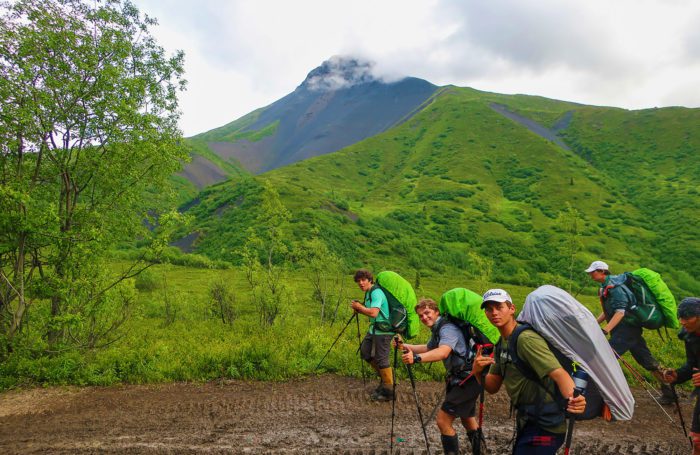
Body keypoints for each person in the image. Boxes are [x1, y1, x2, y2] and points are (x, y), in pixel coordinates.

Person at [472, 289, 586, 454]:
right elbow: (492, 386)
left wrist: (575, 398)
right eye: (489, 309)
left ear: (511, 309)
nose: (494, 313)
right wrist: (477, 372)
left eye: (499, 307)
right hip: (528, 422)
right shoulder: (501, 344)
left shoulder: (526, 339)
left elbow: (558, 373)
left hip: (547, 428)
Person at [398, 298, 486, 455]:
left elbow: (443, 352)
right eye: (421, 316)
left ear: (437, 311)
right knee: (467, 419)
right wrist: (404, 346)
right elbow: (428, 348)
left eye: (427, 313)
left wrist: (416, 359)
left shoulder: (447, 328)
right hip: (465, 378)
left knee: (443, 421)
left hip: (466, 379)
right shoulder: (438, 328)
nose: (424, 317)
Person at [585, 260, 674, 404]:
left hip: (626, 330)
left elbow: (620, 312)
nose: (590, 274)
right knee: (646, 360)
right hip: (627, 330)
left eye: (592, 272)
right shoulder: (605, 287)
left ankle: (595, 394)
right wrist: (594, 324)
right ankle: (670, 392)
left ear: (602, 271)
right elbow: (608, 311)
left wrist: (605, 330)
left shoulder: (616, 288)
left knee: (605, 358)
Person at [662, 297, 700, 455]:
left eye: (687, 318)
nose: (682, 322)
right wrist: (677, 375)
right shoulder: (690, 336)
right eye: (681, 317)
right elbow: (692, 364)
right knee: (697, 440)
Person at [350, 269, 394, 401]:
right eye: (358, 281)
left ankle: (389, 391)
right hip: (374, 329)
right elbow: (371, 311)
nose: (361, 283)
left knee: (382, 359)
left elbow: (374, 313)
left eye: (363, 280)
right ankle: (384, 379)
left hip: (384, 330)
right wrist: (360, 308)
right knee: (365, 352)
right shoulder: (369, 293)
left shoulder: (376, 292)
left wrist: (360, 307)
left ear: (370, 280)